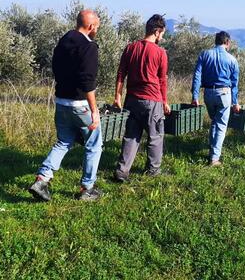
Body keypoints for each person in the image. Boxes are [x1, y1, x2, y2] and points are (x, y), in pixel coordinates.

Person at [29, 10, 103, 201]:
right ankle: (87, 188)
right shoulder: (89, 47)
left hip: (61, 101)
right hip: (80, 105)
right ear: (91, 26)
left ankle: (42, 179)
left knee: (64, 141)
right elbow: (88, 82)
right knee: (94, 144)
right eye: (97, 27)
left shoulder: (63, 42)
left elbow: (56, 69)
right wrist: (94, 111)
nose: (97, 30)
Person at [114, 14, 170, 181]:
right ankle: (153, 170)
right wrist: (164, 101)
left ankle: (122, 171)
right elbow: (162, 80)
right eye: (162, 33)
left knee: (131, 135)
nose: (162, 37)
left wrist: (117, 96)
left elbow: (121, 73)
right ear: (157, 32)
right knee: (155, 136)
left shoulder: (130, 48)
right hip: (152, 100)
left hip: (132, 99)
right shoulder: (160, 53)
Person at [191, 31, 240, 166]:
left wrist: (195, 96)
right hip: (224, 93)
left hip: (208, 93)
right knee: (221, 125)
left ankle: (212, 149)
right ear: (227, 42)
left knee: (215, 121)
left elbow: (197, 76)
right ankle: (214, 158)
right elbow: (234, 84)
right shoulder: (232, 59)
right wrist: (235, 102)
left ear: (216, 41)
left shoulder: (205, 54)